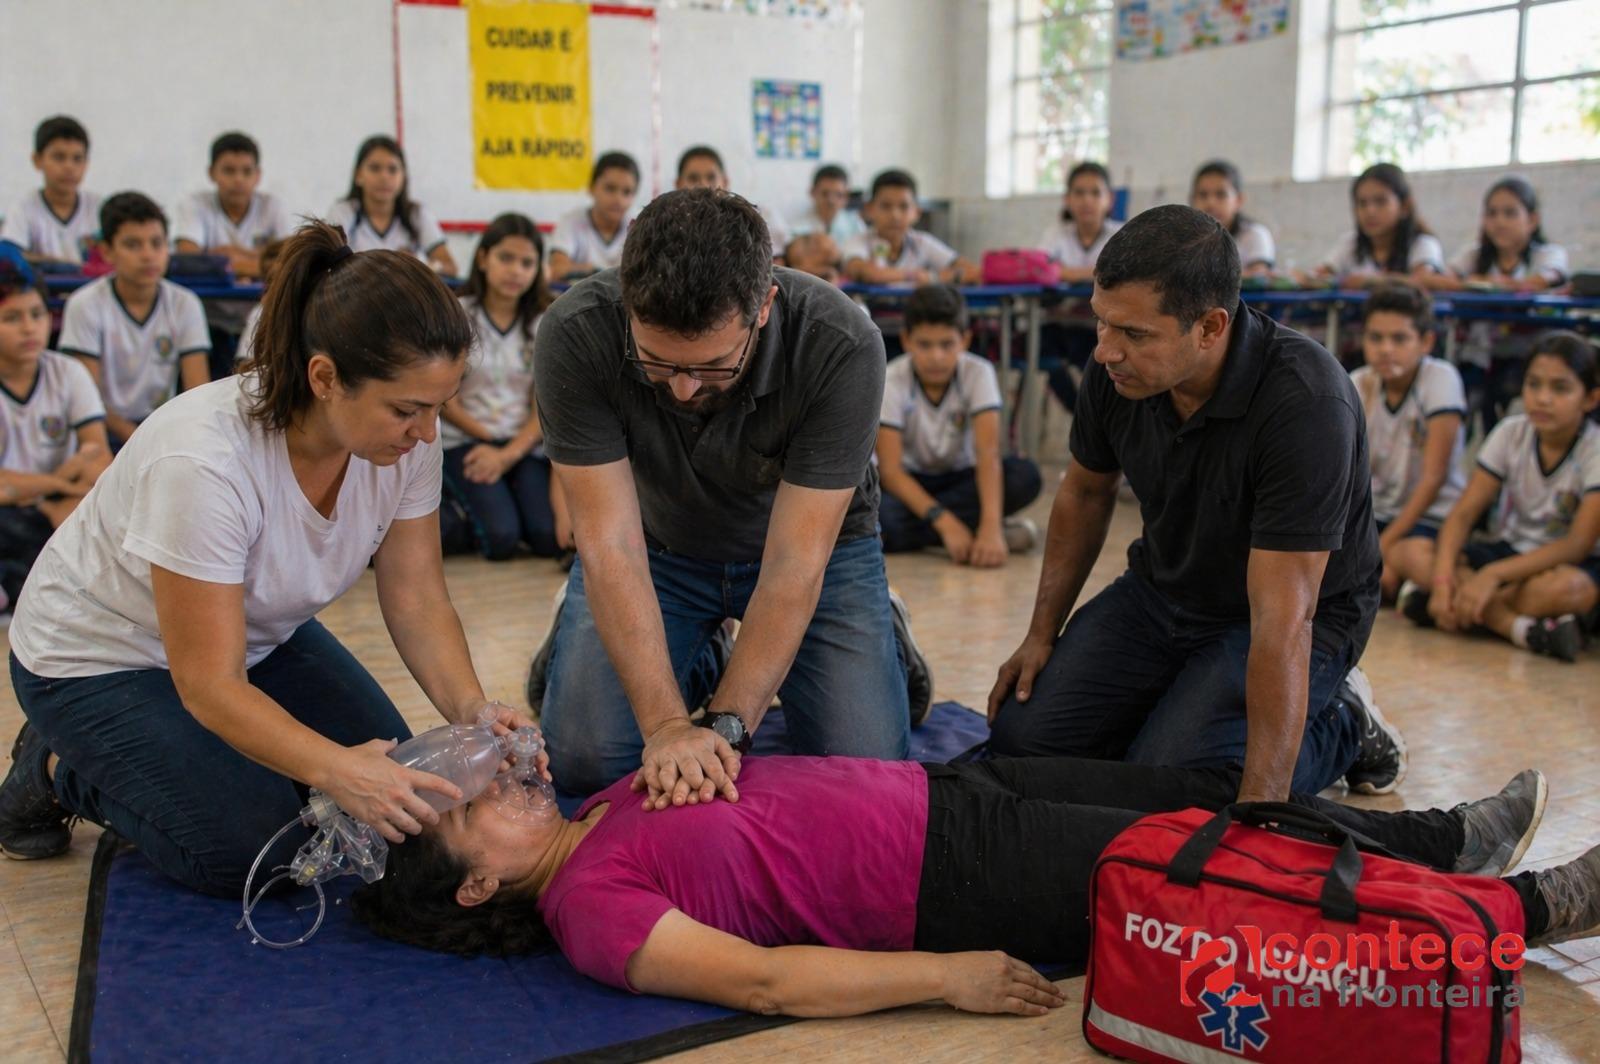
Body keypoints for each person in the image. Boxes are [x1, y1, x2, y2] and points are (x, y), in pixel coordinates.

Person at [0, 221, 537, 887]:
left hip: (248, 638)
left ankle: (172, 762)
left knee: (394, 797)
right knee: (257, 851)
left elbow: (418, 596)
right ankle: (57, 766)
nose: (427, 432)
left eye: (439, 408)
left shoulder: (406, 442)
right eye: (407, 409)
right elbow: (208, 683)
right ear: (324, 377)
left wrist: (471, 709)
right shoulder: (205, 460)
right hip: (95, 659)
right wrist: (336, 768)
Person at [351, 750, 1600, 1020]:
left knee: (1212, 803)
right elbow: (769, 979)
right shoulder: (589, 913)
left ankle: (1438, 840)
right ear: (478, 888)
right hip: (948, 879)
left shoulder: (598, 800)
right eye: (474, 815)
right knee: (1221, 868)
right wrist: (941, 976)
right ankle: (1519, 900)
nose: (496, 791)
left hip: (950, 794)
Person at [987, 205, 1404, 802]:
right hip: (1163, 591)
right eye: (1102, 322)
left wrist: (1257, 811)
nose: (1105, 350)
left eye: (1133, 333)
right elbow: (1084, 491)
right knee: (1022, 743)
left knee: (1188, 789)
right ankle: (1179, 718)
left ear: (1210, 328)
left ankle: (1345, 724)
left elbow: (1285, 621)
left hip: (1285, 615)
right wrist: (1039, 634)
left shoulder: (1306, 403)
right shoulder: (1118, 369)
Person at [527, 188, 929, 800]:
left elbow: (796, 563)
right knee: (585, 758)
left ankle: (881, 626)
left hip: (816, 557)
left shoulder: (841, 342)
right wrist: (664, 726)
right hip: (658, 549)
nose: (684, 390)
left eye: (713, 366)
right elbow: (608, 543)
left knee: (862, 768)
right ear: (626, 304)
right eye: (657, 363)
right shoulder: (575, 332)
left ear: (764, 306)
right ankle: (695, 649)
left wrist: (724, 726)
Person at [1399, 332, 1600, 663]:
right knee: (1409, 551)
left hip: (1562, 563)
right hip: (1510, 550)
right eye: (1534, 384)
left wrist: (1491, 577)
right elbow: (1463, 515)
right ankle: (1519, 628)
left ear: (1591, 399)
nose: (1543, 398)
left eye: (1560, 388)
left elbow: (1577, 544)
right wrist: (1443, 578)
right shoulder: (1511, 431)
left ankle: (1451, 606)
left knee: (1570, 590)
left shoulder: (1593, 449)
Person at [876, 285, 1041, 565]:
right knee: (876, 516)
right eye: (925, 344)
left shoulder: (979, 372)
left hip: (963, 476)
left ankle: (983, 530)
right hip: (909, 482)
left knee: (1025, 476)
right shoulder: (891, 378)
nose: (936, 356)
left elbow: (988, 456)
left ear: (964, 340)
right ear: (906, 340)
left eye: (946, 344)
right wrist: (944, 522)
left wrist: (990, 526)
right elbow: (891, 472)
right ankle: (973, 531)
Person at [441, 213, 568, 561]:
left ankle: (501, 499)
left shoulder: (545, 322)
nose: (516, 270)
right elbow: (443, 400)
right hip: (466, 441)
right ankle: (445, 513)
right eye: (506, 258)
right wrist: (487, 437)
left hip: (520, 445)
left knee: (546, 538)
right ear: (483, 258)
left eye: (527, 263)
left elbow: (544, 406)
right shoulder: (457, 314)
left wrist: (508, 452)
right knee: (501, 539)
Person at [57, 193, 211, 448]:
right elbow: (87, 396)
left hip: (164, 429)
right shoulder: (84, 304)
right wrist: (138, 438)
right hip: (103, 430)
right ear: (106, 251)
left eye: (156, 243)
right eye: (133, 245)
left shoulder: (185, 303)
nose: (148, 255)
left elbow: (197, 393)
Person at [0, 262, 110, 612]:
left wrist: (49, 495)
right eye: (12, 318)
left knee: (94, 519)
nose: (29, 327)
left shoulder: (67, 372)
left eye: (37, 314)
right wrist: (59, 484)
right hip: (18, 512)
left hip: (55, 507)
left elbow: (98, 457)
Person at [1350, 282, 1466, 601]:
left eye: (1399, 339)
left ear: (1426, 341)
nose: (1385, 349)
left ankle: (1410, 584)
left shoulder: (1441, 380)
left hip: (1428, 518)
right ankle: (1409, 593)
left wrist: (1381, 547)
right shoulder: (1359, 383)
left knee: (1409, 556)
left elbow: (1433, 479)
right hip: (1377, 515)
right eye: (1376, 338)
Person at [1444, 176, 1570, 434]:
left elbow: (1540, 282)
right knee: (1465, 414)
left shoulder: (1548, 254)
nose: (1499, 222)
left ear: (1532, 220)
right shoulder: (1474, 255)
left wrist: (1483, 283)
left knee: (1512, 422)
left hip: (1525, 359)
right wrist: (1488, 283)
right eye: (1492, 213)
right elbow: (1438, 280)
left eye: (1510, 213)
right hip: (1478, 358)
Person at [1036, 161, 1121, 411]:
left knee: (1106, 366)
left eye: (1095, 192)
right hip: (1058, 327)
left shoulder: (1121, 234)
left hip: (1101, 329)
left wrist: (1066, 272)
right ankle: (1082, 415)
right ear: (1067, 199)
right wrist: (1097, 273)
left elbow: (1125, 274)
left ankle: (1096, 417)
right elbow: (1041, 271)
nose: (1087, 200)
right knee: (1045, 357)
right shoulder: (1055, 234)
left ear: (1110, 199)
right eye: (1079, 192)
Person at [325, 135, 457, 276]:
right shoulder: (343, 212)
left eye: (393, 169)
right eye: (375, 168)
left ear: (403, 177)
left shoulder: (417, 214)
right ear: (358, 175)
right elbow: (327, 265)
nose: (384, 177)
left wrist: (417, 263)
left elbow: (451, 268)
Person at [172, 131, 294, 281]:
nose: (238, 179)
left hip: (262, 302)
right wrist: (262, 258)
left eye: (247, 171)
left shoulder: (273, 206)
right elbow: (188, 258)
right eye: (229, 171)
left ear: (258, 175)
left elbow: (290, 262)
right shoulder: (194, 204)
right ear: (211, 173)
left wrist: (231, 254)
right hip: (208, 303)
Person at [841, 169, 980, 286]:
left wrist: (932, 278)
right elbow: (865, 272)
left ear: (916, 212)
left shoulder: (922, 242)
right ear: (869, 209)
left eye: (904, 207)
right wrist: (915, 276)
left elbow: (973, 271)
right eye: (886, 206)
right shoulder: (858, 241)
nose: (895, 215)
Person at [1315, 163, 1445, 286]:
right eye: (1362, 203)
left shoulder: (1423, 244)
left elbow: (1423, 282)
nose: (1370, 212)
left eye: (1381, 201)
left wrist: (1367, 282)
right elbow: (1319, 277)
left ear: (1404, 207)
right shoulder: (1350, 244)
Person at [0, 116, 101, 267]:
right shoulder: (24, 208)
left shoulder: (99, 208)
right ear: (37, 160)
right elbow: (9, 255)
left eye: (77, 159)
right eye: (59, 158)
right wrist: (68, 266)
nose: (69, 167)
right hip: (41, 289)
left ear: (86, 163)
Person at [674, 145, 789, 263]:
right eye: (693, 178)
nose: (703, 185)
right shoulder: (669, 226)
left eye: (711, 177)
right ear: (678, 184)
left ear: (725, 182)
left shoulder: (760, 216)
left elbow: (776, 267)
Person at [547, 152, 640, 281]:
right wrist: (599, 272)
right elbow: (557, 270)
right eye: (610, 188)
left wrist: (587, 270)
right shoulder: (571, 221)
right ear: (591, 188)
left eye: (627, 192)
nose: (618, 199)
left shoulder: (638, 226)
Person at [1189, 160, 1274, 275]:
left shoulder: (1254, 234)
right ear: (1192, 200)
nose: (1210, 203)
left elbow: (1259, 275)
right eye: (1203, 195)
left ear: (1239, 200)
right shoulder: (1184, 239)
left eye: (1221, 194)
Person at [790, 163, 865, 243]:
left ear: (846, 196)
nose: (831, 200)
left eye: (838, 195)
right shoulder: (797, 229)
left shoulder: (855, 224)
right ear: (812, 192)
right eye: (825, 194)